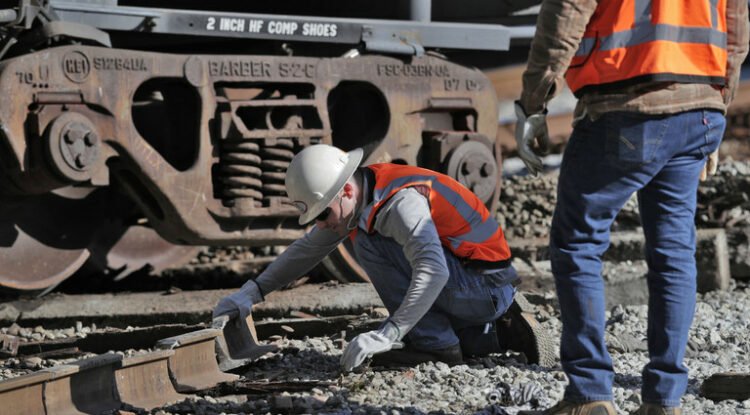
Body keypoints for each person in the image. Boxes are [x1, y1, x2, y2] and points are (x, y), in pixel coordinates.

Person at [514, 0, 749, 414]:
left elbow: (566, 10)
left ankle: (590, 393)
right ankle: (664, 399)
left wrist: (533, 102)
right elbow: (736, 24)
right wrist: (719, 98)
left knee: (578, 244)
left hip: (626, 104)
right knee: (674, 251)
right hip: (700, 109)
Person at [213, 144, 554, 371]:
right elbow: (309, 248)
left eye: (323, 214)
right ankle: (505, 333)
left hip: (483, 288)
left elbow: (434, 271)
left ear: (346, 191)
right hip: (484, 283)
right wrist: (252, 292)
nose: (322, 224)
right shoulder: (367, 191)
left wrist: (388, 334)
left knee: (367, 243)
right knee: (366, 241)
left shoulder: (399, 205)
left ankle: (437, 347)